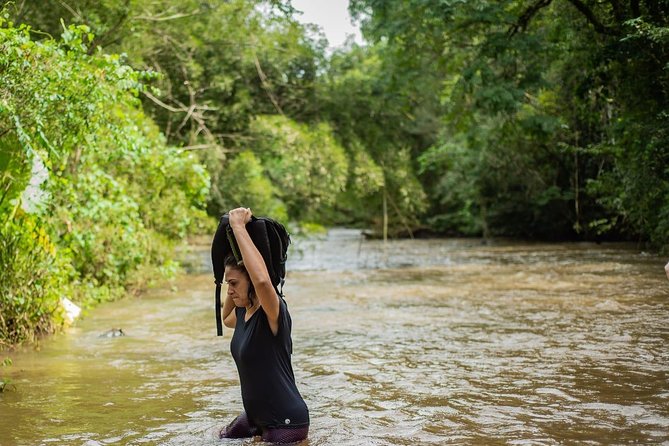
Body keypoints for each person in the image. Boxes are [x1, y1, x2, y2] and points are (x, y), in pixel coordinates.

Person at [219, 207, 309, 444]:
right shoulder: (242, 313)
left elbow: (261, 280)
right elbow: (224, 315)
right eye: (228, 284)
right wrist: (236, 259)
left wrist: (239, 227)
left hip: (285, 421)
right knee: (218, 438)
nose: (229, 290)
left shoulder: (273, 310)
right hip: (255, 417)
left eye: (235, 284)